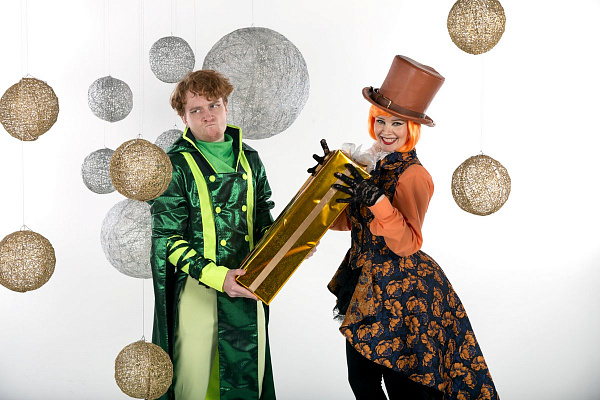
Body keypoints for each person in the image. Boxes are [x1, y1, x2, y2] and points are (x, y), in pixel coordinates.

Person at [315, 55, 499, 399]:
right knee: (362, 383)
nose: (387, 131)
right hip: (367, 287)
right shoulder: (369, 164)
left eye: (397, 123)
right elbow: (347, 222)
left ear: (411, 128)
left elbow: (407, 243)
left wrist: (377, 200)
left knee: (405, 390)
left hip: (407, 293)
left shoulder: (415, 175)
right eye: (381, 120)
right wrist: (325, 184)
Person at [149, 70, 276, 400]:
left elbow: (264, 219)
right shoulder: (174, 165)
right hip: (198, 292)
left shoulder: (251, 159)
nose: (208, 115)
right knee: (195, 385)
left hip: (247, 288)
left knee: (248, 383)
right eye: (196, 109)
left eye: (214, 105)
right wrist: (219, 278)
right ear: (184, 117)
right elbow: (167, 238)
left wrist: (290, 243)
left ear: (226, 106)